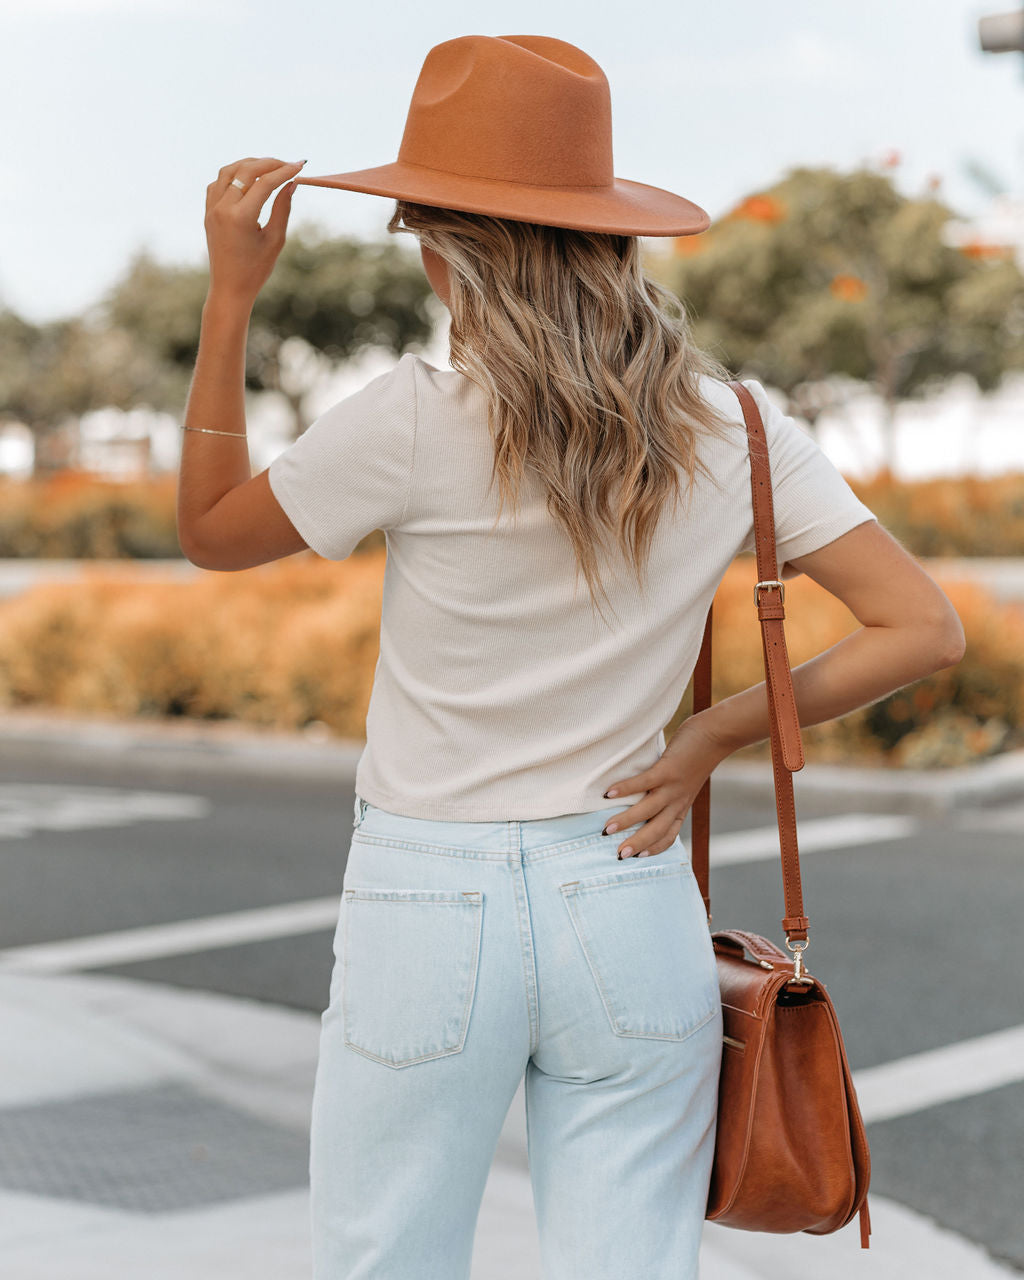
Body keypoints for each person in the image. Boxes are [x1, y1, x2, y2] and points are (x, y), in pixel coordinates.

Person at [177, 33, 966, 1280]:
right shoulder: (735, 426)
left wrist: (231, 299)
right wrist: (707, 738)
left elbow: (212, 532)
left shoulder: (412, 419)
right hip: (627, 890)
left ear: (452, 253)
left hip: (426, 897)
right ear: (609, 241)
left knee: (385, 1258)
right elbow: (923, 625)